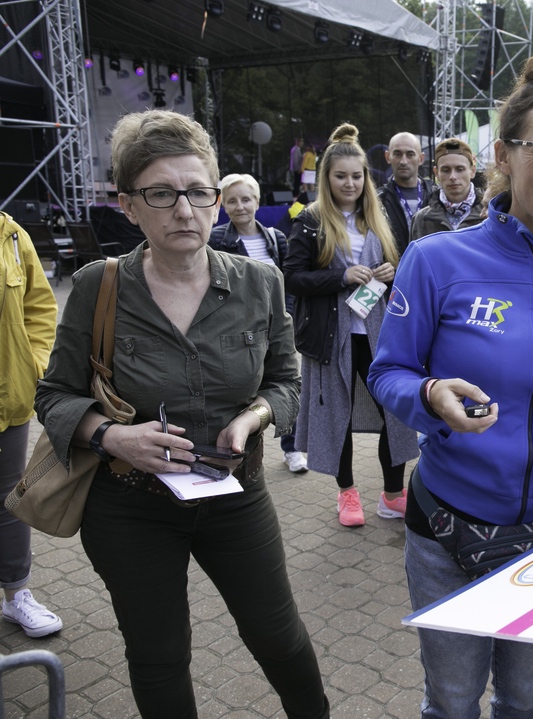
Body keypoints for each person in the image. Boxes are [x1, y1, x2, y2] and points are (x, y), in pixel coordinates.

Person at [34, 110, 328, 718]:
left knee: (278, 636)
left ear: (217, 199)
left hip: (235, 496)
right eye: (161, 194)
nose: (184, 210)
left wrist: (254, 418)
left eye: (198, 192)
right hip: (129, 508)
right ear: (128, 206)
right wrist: (112, 436)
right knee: (159, 655)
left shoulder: (260, 283)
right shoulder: (97, 287)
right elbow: (54, 395)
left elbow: (285, 381)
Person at [369, 54, 533, 719]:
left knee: (525, 699)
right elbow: (388, 371)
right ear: (505, 155)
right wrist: (429, 396)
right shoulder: (436, 260)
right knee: (453, 703)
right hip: (448, 528)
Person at [283, 123, 419, 527]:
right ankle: (347, 494)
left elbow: (398, 268)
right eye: (341, 176)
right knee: (336, 416)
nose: (350, 183)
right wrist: (340, 277)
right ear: (326, 178)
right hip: (331, 336)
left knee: (394, 412)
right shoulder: (310, 220)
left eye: (357, 176)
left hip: (380, 333)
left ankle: (392, 494)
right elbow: (292, 277)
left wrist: (391, 272)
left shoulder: (377, 216)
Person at [209, 173, 307, 473]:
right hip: (237, 331)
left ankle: (291, 449)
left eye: (246, 199)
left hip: (275, 327)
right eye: (232, 201)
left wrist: (286, 316)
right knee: (241, 391)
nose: (240, 206)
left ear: (257, 202)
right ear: (223, 205)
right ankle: (234, 451)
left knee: (284, 385)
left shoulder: (276, 238)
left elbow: (287, 283)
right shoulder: (216, 240)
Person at [1, 211, 62, 639]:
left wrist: (33, 365)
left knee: (9, 501)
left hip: (8, 399)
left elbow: (40, 307)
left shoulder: (10, 234)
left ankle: (16, 595)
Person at [409, 138, 484, 240]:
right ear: (436, 173)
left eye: (460, 169)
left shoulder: (490, 214)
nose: (453, 177)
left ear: (472, 171)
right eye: (446, 170)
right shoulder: (422, 219)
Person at [377, 132, 434, 255]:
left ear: (421, 158)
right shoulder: (378, 201)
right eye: (397, 154)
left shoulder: (437, 197)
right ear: (388, 157)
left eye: (410, 154)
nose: (403, 161)